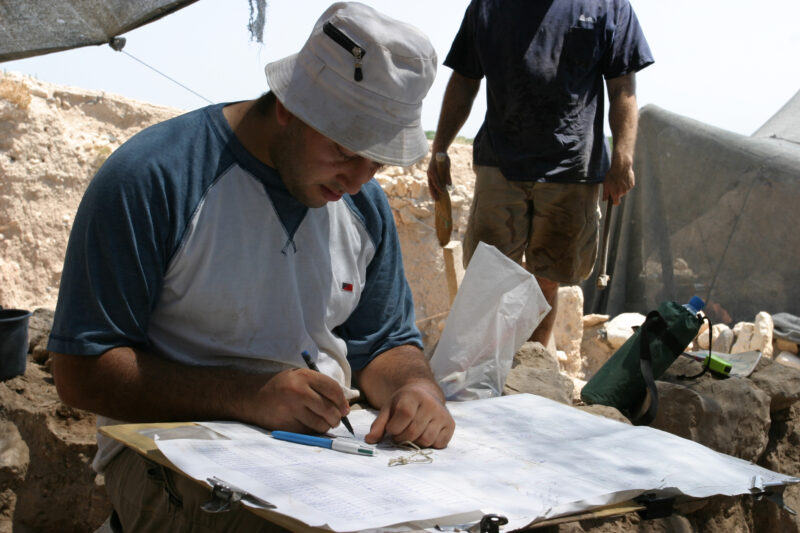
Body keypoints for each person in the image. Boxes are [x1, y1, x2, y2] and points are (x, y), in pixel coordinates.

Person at [47, 3, 454, 531]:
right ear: (288, 107)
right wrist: (247, 396)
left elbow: (383, 345)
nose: (358, 180)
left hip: (327, 455)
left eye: (377, 162)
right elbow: (81, 372)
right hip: (170, 451)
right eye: (344, 150)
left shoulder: (364, 206)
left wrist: (416, 390)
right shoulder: (154, 178)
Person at [428, 0, 654, 347]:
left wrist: (623, 158)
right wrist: (440, 148)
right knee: (489, 276)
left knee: (547, 279)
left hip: (572, 168)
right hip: (500, 163)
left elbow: (622, 86)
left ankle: (530, 367)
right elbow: (464, 79)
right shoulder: (487, 7)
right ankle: (485, 369)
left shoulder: (608, 6)